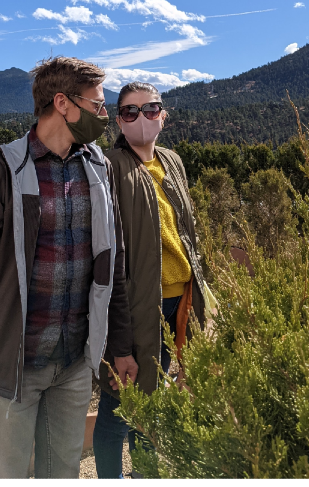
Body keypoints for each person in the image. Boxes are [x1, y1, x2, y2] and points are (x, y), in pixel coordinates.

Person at [0, 56, 133, 478]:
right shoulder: (1, 170)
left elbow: (112, 266)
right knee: (9, 474)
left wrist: (118, 346)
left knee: (63, 473)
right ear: (63, 104)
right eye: (98, 105)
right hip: (13, 369)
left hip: (73, 365)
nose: (105, 116)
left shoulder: (98, 170)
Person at [91, 81, 209, 478]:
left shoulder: (173, 161)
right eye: (129, 111)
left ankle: (146, 476)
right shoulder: (109, 167)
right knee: (120, 404)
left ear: (163, 115)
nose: (142, 118)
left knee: (153, 404)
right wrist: (117, 338)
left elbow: (187, 236)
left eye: (150, 109)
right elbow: (108, 253)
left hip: (181, 303)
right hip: (136, 307)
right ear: (118, 122)